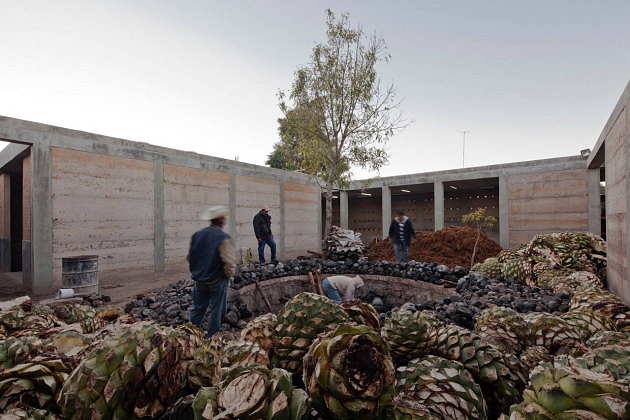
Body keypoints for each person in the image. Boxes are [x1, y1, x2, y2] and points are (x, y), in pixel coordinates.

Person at [188, 205, 236, 338]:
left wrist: (196, 273)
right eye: (223, 218)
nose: (224, 220)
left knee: (198, 308)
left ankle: (189, 335)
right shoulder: (223, 237)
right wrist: (228, 276)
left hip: (200, 279)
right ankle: (211, 337)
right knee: (217, 310)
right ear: (220, 220)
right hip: (217, 279)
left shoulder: (197, 235)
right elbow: (229, 262)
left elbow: (190, 257)